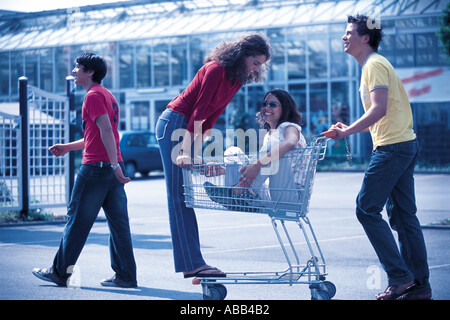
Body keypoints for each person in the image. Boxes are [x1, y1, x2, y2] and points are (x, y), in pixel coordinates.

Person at [327, 14, 431, 300]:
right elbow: (381, 114)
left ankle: (400, 277)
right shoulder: (375, 64)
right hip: (402, 144)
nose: (344, 37)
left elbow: (379, 109)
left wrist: (347, 131)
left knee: (366, 208)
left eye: (349, 33)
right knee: (403, 218)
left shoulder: (373, 64)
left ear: (365, 38)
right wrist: (349, 129)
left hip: (393, 148)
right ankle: (419, 288)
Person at [156, 33, 271, 278]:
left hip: (187, 128)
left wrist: (195, 152)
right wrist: (186, 151)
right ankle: (192, 264)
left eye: (260, 65)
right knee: (179, 196)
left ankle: (193, 262)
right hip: (174, 123)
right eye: (255, 63)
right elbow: (198, 111)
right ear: (243, 55)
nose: (256, 69)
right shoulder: (215, 69)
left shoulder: (237, 80)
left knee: (183, 196)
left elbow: (212, 117)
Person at [32, 53, 137, 288]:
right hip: (109, 169)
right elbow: (97, 134)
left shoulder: (92, 96)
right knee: (119, 224)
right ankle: (126, 276)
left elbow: (107, 132)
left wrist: (114, 166)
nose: (74, 70)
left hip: (97, 169)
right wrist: (68, 148)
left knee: (76, 221)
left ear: (90, 72)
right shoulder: (107, 95)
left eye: (78, 67)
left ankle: (59, 272)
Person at [204, 89, 307, 212]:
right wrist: (225, 170)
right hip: (273, 194)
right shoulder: (269, 135)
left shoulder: (289, 127)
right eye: (264, 104)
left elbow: (290, 142)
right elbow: (266, 171)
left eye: (273, 104)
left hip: (291, 196)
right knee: (233, 151)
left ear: (285, 108)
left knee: (273, 145)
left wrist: (257, 164)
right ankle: (239, 195)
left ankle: (238, 192)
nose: (267, 107)